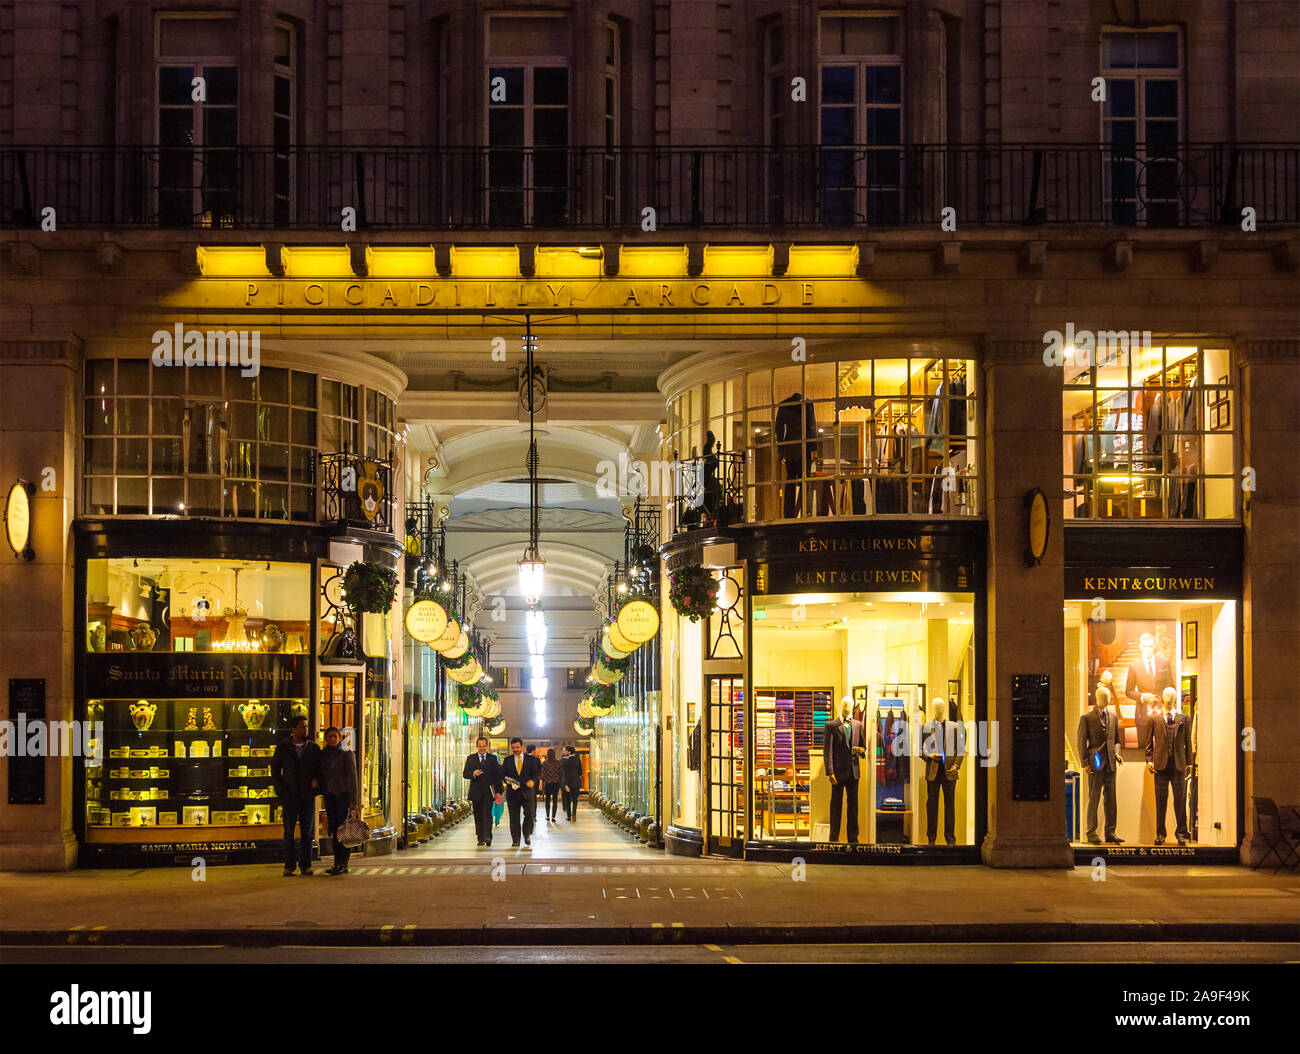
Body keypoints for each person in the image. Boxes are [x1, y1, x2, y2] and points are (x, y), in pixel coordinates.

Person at [271, 714, 321, 877]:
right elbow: (275, 770)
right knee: (289, 832)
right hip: (290, 796)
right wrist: (281, 790)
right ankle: (289, 865)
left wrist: (316, 785)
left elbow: (320, 770)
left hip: (306, 796)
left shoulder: (313, 748)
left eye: (306, 726)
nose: (305, 729)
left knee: (307, 832)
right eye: (302, 727)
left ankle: (306, 865)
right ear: (293, 729)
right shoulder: (283, 747)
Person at [1076, 683, 1124, 845]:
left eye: (1109, 697)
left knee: (1111, 799)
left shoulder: (1113, 717)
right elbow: (1081, 741)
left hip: (1111, 762)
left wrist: (1117, 753)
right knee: (1094, 798)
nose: (1108, 699)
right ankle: (1091, 832)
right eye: (1105, 697)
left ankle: (1110, 832)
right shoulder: (1087, 718)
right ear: (1098, 698)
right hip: (1095, 762)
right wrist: (1084, 762)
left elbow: (1117, 740)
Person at [1145, 686, 1191, 846]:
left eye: (1172, 697)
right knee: (1161, 801)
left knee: (1180, 800)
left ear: (1175, 699)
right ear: (1164, 699)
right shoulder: (1155, 719)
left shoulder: (1184, 718)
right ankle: (1160, 834)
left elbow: (1188, 743)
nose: (1170, 699)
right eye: (1167, 696)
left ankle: (1181, 834)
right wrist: (1149, 760)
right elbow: (1149, 742)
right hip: (1160, 766)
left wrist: (1189, 762)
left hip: (1179, 765)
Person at [319, 726, 359, 875]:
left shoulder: (346, 754)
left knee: (344, 831)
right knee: (335, 831)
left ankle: (344, 863)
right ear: (325, 739)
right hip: (330, 797)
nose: (332, 739)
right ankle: (337, 863)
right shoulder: (323, 755)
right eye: (329, 737)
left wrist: (353, 802)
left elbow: (352, 779)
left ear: (339, 738)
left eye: (335, 737)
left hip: (343, 797)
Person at [463, 735, 503, 847]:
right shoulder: (471, 758)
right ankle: (480, 837)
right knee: (478, 815)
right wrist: (473, 774)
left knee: (487, 814)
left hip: (488, 792)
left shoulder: (492, 758)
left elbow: (497, 776)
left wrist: (499, 791)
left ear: (487, 746)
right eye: (480, 746)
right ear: (476, 746)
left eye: (484, 746)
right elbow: (465, 774)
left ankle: (488, 836)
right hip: (476, 792)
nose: (482, 748)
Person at [502, 737, 541, 847]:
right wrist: (506, 780)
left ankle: (526, 834)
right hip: (513, 793)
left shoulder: (531, 760)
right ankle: (516, 840)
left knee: (529, 815)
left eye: (517, 747)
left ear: (522, 747)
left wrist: (533, 781)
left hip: (527, 793)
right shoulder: (507, 760)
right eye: (513, 748)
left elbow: (537, 773)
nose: (515, 749)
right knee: (514, 817)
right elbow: (503, 774)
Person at [541, 747, 563, 823]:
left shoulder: (545, 763)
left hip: (548, 783)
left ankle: (547, 816)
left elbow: (543, 774)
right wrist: (558, 780)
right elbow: (561, 773)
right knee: (555, 800)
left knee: (547, 800)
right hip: (556, 783)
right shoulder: (558, 763)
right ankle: (553, 816)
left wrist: (544, 781)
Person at [562, 745, 583, 820]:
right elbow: (580, 773)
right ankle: (574, 814)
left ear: (569, 752)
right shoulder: (578, 760)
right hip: (576, 783)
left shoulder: (566, 761)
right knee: (575, 800)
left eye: (565, 751)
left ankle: (569, 816)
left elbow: (566, 774)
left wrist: (566, 784)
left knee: (568, 800)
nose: (564, 752)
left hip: (569, 783)